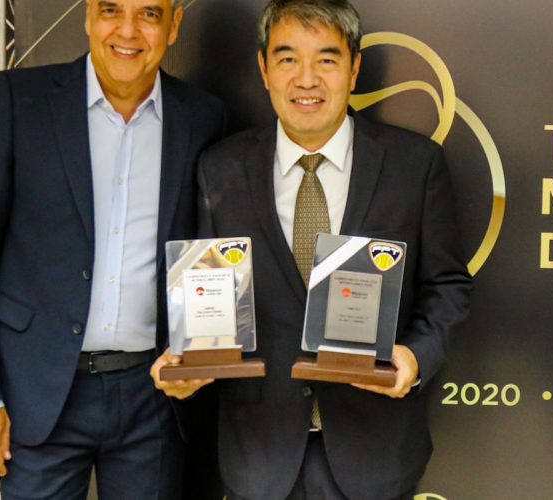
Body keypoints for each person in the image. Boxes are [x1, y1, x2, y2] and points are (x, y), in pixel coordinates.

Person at [151, 0, 472, 498]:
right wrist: (188, 364)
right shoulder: (220, 168)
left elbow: (447, 286)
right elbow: (208, 298)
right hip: (260, 456)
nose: (307, 79)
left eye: (326, 59)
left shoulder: (415, 165)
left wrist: (415, 357)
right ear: (264, 69)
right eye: (288, 59)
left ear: (354, 68)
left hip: (375, 452)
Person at [0, 0, 224, 498]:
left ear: (175, 25)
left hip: (153, 401)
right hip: (36, 393)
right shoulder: (20, 101)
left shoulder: (203, 117)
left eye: (149, 14)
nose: (127, 31)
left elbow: (210, 254)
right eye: (110, 9)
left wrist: (199, 355)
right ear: (88, 17)